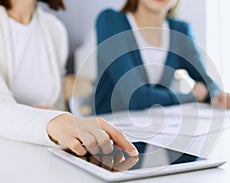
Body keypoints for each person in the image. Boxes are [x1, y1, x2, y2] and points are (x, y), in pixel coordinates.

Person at [0, 0, 139, 157]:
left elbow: (56, 104)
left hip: (45, 152)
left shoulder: (54, 28)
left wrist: (61, 118)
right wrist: (52, 120)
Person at [94, 0, 230, 114]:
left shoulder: (180, 30)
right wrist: (191, 97)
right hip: (110, 135)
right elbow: (136, 97)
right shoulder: (110, 21)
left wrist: (217, 95)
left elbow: (207, 83)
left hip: (157, 128)